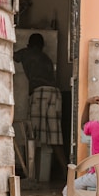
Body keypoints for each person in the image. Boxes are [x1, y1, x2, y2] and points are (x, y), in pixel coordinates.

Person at [13, 33, 68, 176]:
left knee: (33, 134)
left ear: (29, 44)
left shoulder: (26, 52)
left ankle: (31, 174)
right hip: (55, 94)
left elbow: (13, 56)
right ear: (42, 46)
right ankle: (66, 170)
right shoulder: (47, 59)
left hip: (40, 93)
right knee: (55, 136)